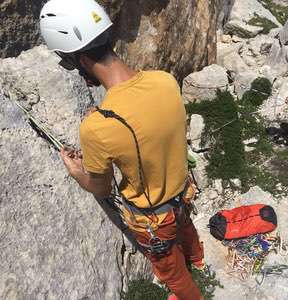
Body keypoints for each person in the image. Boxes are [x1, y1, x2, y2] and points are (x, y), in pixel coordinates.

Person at [39, 1, 204, 299]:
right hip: (183, 193)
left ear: (80, 61)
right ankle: (199, 260)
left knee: (171, 272)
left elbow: (101, 189)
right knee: (186, 229)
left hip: (154, 219)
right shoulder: (165, 81)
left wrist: (78, 173)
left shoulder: (97, 128)